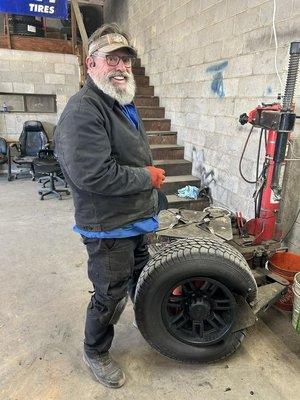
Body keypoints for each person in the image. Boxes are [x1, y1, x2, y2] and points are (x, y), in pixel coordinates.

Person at [54, 23, 166, 388]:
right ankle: (95, 350)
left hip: (133, 218)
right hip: (107, 225)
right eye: (111, 60)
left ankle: (149, 321)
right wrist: (147, 178)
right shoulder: (84, 110)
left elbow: (130, 156)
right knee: (109, 292)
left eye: (126, 61)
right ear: (91, 65)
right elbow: (94, 176)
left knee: (139, 276)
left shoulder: (120, 101)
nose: (120, 67)